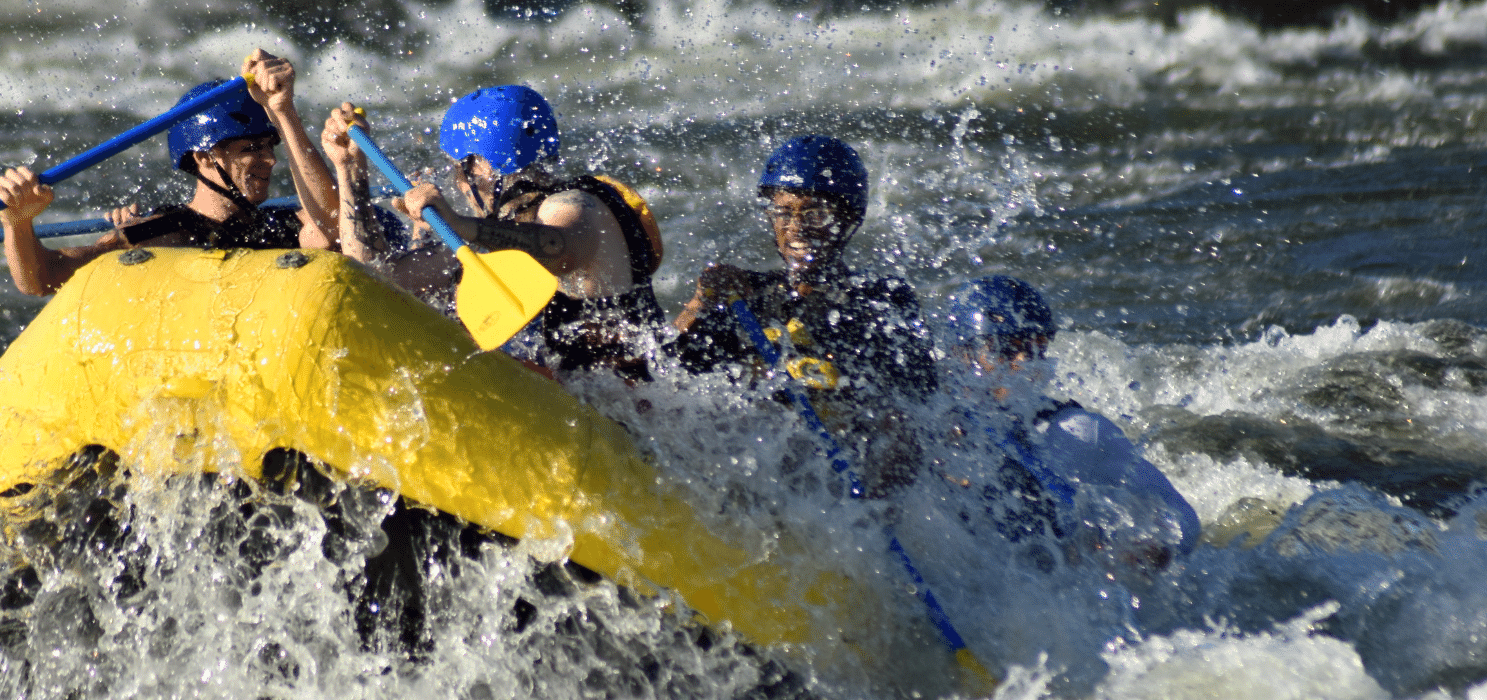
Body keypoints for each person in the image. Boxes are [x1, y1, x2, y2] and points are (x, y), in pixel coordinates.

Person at [328, 86, 666, 380]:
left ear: (482, 167)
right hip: (574, 403)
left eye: (458, 168)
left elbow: (558, 248)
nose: (458, 183)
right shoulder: (487, 239)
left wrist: (460, 225)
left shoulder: (575, 205)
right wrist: (350, 169)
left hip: (628, 415)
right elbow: (373, 279)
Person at [668, 135, 936, 496]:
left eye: (815, 214)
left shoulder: (881, 302)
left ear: (848, 219)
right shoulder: (746, 296)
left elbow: (918, 410)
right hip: (752, 469)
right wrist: (698, 304)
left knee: (898, 425)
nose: (796, 227)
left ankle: (868, 521)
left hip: (841, 482)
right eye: (783, 212)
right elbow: (664, 373)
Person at [0, 49, 340, 295]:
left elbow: (334, 226)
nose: (271, 161)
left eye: (269, 146)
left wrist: (283, 111)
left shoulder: (285, 224)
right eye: (250, 149)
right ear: (203, 158)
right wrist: (17, 224)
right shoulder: (159, 232)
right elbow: (43, 280)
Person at [943, 275, 1201, 572]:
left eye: (1037, 346)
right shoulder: (927, 420)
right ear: (961, 355)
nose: (1025, 361)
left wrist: (1154, 549)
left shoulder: (1076, 434)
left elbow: (1183, 518)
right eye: (1007, 348)